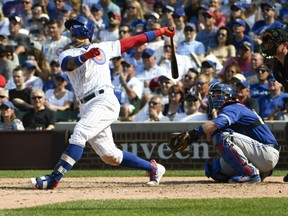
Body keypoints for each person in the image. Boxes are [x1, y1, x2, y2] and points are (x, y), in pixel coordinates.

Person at [30, 15, 175, 189]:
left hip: (104, 99)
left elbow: (134, 41)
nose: (70, 30)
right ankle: (154, 168)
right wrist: (86, 56)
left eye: (74, 26)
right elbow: (68, 65)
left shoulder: (103, 47)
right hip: (86, 105)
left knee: (80, 132)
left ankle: (54, 178)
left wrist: (161, 31)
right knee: (109, 155)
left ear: (85, 28)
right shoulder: (67, 53)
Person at [169, 82, 280, 183]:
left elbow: (215, 124)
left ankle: (250, 174)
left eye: (217, 95)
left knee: (223, 137)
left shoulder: (233, 106)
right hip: (257, 155)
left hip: (267, 152)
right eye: (212, 96)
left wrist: (193, 134)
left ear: (227, 96)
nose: (213, 98)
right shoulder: (229, 109)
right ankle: (260, 172)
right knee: (213, 169)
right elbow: (214, 129)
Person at [261, 26, 288, 182]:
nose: (268, 45)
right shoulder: (278, 69)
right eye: (266, 41)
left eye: (272, 41)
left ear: (284, 44)